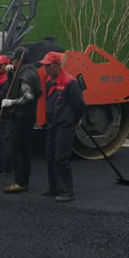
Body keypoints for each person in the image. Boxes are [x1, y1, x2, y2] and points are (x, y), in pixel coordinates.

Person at [39, 51, 85, 202]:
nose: (46, 68)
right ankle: (53, 187)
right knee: (50, 157)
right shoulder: (48, 81)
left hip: (65, 126)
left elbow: (79, 105)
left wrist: (74, 120)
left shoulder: (70, 82)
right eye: (44, 65)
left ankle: (66, 192)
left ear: (58, 65)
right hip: (52, 125)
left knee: (61, 158)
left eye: (48, 65)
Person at [0, 47, 42, 193]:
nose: (12, 62)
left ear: (19, 60)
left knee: (15, 149)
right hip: (29, 116)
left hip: (21, 116)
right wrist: (11, 74)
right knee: (25, 150)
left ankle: (20, 182)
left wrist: (11, 103)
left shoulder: (25, 75)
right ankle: (24, 181)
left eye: (14, 60)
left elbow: (28, 97)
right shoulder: (31, 71)